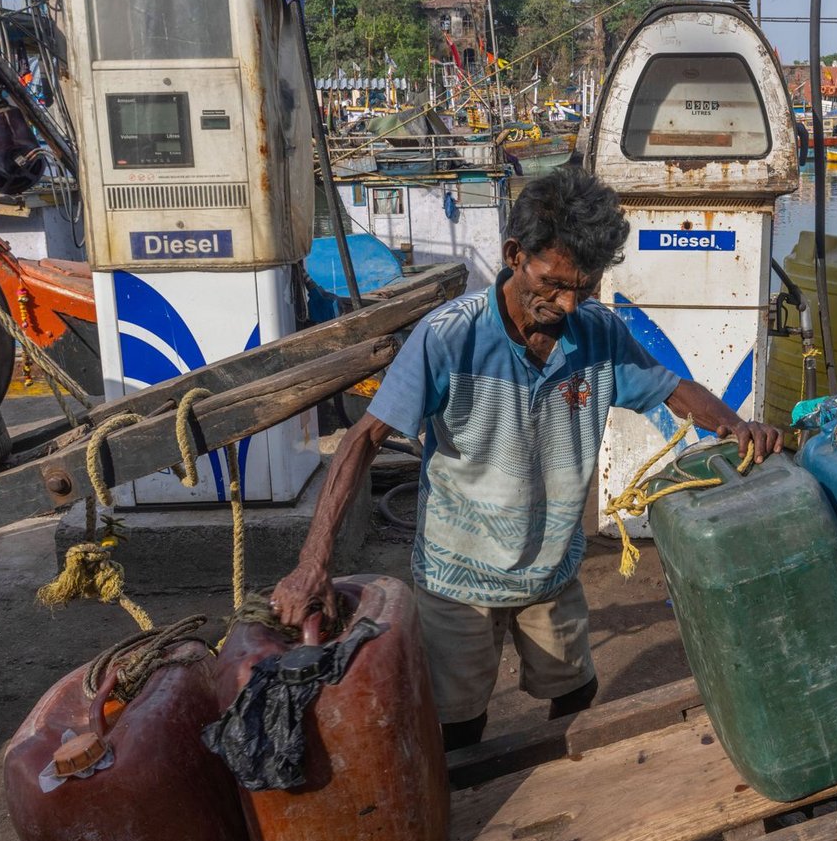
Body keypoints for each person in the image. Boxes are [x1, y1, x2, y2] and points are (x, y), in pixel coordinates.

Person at [272, 166, 782, 749]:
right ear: (515, 255)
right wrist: (313, 562)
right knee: (458, 724)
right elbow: (362, 440)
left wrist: (737, 426)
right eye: (554, 283)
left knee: (575, 697)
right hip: (456, 577)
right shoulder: (448, 336)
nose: (566, 304)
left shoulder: (599, 332)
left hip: (552, 569)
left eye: (583, 289)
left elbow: (670, 388)